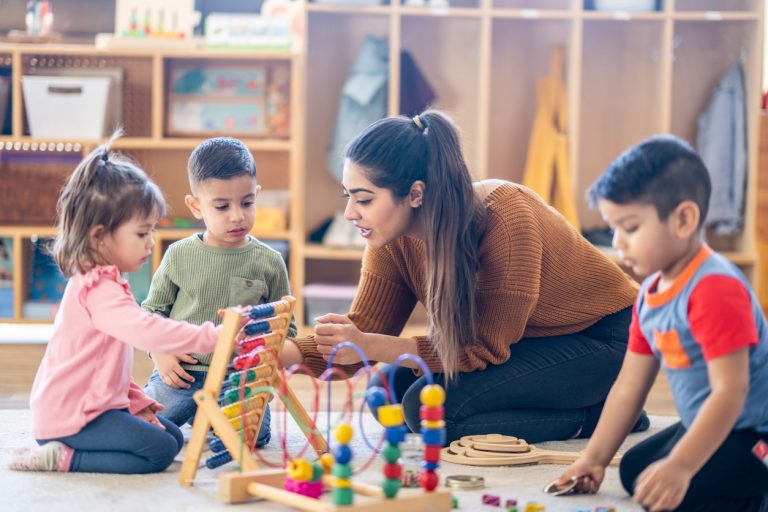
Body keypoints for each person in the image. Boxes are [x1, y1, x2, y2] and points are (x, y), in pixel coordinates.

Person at [280, 109, 645, 443]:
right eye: (348, 197)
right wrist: (284, 354)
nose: (348, 213)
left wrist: (371, 345)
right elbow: (363, 331)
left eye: (364, 199)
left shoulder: (507, 220)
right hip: (528, 339)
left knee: (433, 415)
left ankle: (603, 415)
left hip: (606, 338)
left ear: (415, 194)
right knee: (387, 393)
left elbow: (482, 348)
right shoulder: (390, 238)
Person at [557, 135, 768, 511]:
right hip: (706, 423)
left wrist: (682, 465)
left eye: (631, 227)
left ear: (684, 219)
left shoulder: (714, 288)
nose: (619, 242)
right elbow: (628, 386)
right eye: (613, 227)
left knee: (680, 489)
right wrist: (594, 458)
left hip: (752, 433)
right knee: (638, 474)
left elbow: (729, 393)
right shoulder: (651, 292)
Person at [8, 133, 222, 474]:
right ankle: (63, 457)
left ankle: (72, 446)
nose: (151, 243)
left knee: (168, 432)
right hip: (72, 417)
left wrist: (136, 403)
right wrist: (213, 337)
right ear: (99, 235)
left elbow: (106, 367)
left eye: (152, 231)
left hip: (89, 405)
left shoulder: (103, 280)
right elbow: (146, 332)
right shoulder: (99, 290)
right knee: (161, 451)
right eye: (141, 233)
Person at [142, 137, 296, 448]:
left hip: (238, 379)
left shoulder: (270, 261)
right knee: (143, 427)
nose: (237, 215)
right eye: (222, 206)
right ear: (196, 206)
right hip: (182, 373)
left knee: (251, 438)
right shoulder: (178, 255)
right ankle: (199, 413)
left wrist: (263, 364)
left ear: (257, 196)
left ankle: (207, 417)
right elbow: (149, 314)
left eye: (247, 202)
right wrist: (160, 353)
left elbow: (287, 329)